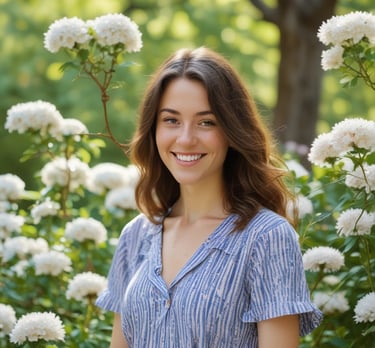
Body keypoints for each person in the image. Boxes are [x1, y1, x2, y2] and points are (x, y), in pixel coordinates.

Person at [96, 47, 322, 347]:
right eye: (171, 120)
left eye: (207, 122)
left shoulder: (267, 238)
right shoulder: (136, 235)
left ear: (231, 130)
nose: (186, 139)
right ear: (154, 129)